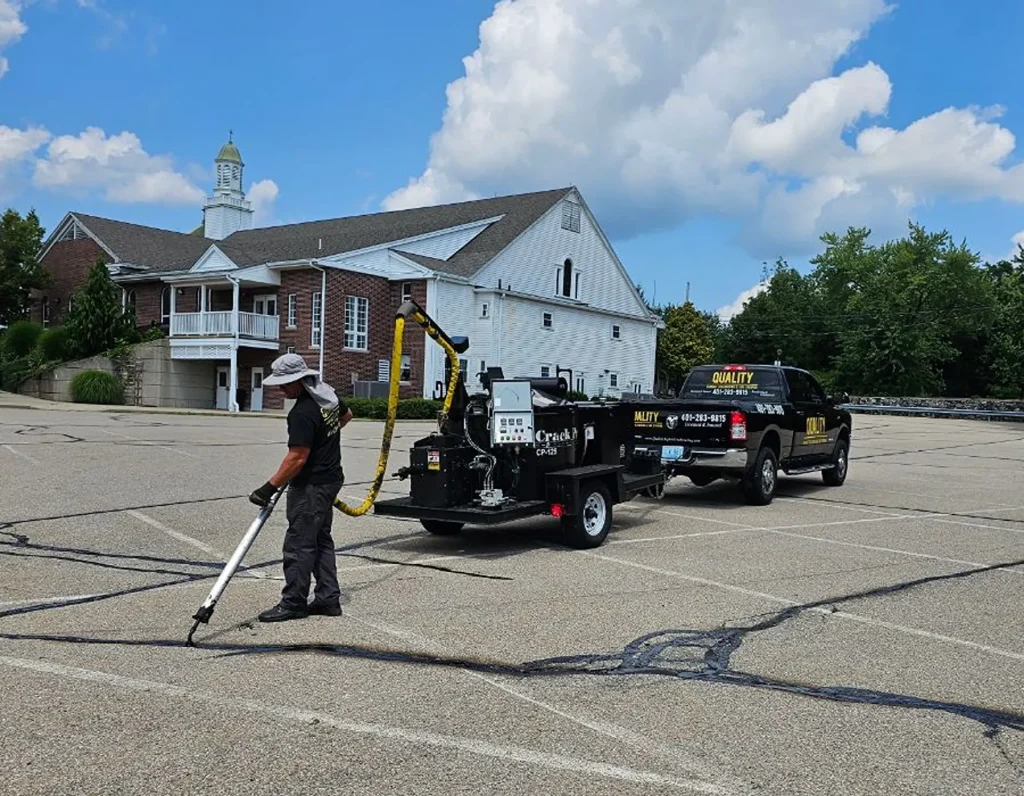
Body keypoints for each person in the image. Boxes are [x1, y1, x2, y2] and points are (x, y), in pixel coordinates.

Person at [248, 353, 352, 622]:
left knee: (299, 543)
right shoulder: (327, 395)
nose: (281, 389)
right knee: (320, 539)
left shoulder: (303, 412)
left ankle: (293, 602)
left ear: (299, 380)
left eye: (285, 384)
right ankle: (328, 599)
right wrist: (324, 440)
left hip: (311, 485)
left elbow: (297, 458)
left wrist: (268, 488)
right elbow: (347, 416)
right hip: (330, 479)